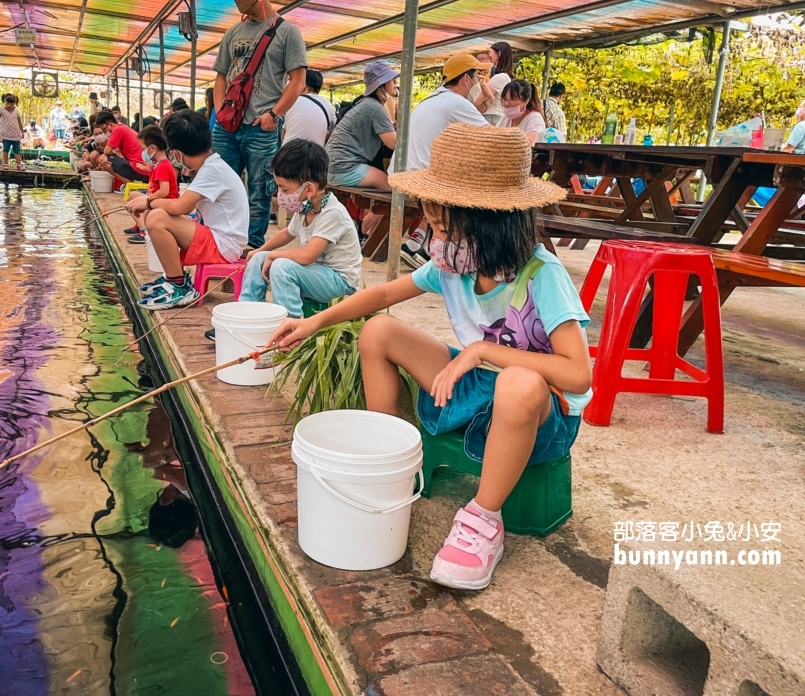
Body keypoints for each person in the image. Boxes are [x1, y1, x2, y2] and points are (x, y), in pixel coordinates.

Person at [268, 124, 592, 591]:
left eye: (441, 226)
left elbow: (577, 375)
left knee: (518, 382)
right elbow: (381, 295)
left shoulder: (542, 274)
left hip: (543, 410)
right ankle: (391, 455)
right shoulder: (454, 264)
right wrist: (313, 323)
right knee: (379, 332)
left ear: (488, 221)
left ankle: (484, 519)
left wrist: (481, 349)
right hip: (483, 382)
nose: (432, 238)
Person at [212, 0, 308, 248]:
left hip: (261, 128)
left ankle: (252, 250)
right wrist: (219, 112)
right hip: (227, 126)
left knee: (258, 191)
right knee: (218, 185)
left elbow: (298, 81)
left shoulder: (287, 32)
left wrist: (273, 115)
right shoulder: (232, 33)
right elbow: (219, 77)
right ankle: (219, 242)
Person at [133, 110, 249, 308]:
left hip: (224, 245)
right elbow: (187, 207)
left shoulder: (211, 170)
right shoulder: (212, 165)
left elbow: (180, 207)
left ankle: (178, 285)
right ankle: (174, 279)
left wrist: (149, 202)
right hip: (222, 239)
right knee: (160, 214)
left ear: (176, 153)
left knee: (156, 218)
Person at [389, 50, 490, 268]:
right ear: (466, 79)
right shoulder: (456, 103)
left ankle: (417, 243)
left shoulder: (431, 99)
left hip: (401, 174)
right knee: (475, 190)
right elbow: (492, 138)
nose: (478, 83)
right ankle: (433, 251)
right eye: (477, 77)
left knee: (454, 178)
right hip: (420, 178)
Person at [240, 139, 361, 317]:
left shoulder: (333, 213)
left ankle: (290, 326)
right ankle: (247, 315)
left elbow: (307, 256)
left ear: (309, 189)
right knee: (259, 259)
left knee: (282, 267)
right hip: (316, 274)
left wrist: (274, 255)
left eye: (285, 190)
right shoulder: (305, 207)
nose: (281, 195)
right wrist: (261, 250)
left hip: (340, 282)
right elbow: (287, 233)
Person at [325, 60, 398, 190]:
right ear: (381, 84)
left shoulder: (364, 103)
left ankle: (372, 211)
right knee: (393, 187)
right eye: (392, 80)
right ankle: (374, 211)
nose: (395, 83)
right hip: (344, 167)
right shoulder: (375, 108)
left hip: (332, 165)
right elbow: (394, 143)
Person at [124, 124, 179, 245]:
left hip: (165, 202)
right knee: (133, 196)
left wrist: (147, 199)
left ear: (152, 149)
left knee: (139, 205)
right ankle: (141, 226)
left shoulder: (163, 166)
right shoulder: (157, 164)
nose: (141, 152)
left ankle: (145, 231)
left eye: (142, 148)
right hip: (157, 199)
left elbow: (164, 191)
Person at [93, 110, 150, 184]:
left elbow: (106, 151)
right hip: (145, 170)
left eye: (104, 130)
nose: (105, 133)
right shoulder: (123, 127)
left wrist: (114, 155)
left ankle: (125, 181)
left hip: (139, 169)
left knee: (103, 159)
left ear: (110, 124)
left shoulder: (117, 129)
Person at [283, 69, 335, 147]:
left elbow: (282, 132)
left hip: (289, 152)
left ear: (303, 86)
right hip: (315, 154)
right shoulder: (328, 105)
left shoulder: (291, 101)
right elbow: (333, 132)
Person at [473, 41, 514, 124]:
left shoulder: (500, 77)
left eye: (490, 52)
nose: (489, 56)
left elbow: (479, 100)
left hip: (491, 117)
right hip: (492, 116)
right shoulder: (501, 76)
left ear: (498, 54)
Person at [498, 79, 546, 147]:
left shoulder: (535, 118)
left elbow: (529, 144)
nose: (506, 103)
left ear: (526, 101)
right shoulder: (505, 118)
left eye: (512, 99)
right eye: (505, 99)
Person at [0, 94, 26, 170]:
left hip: (16, 134)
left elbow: (19, 122)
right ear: (4, 102)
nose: (9, 105)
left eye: (11, 104)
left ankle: (19, 165)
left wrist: (22, 132)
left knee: (17, 151)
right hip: (6, 134)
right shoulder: (2, 110)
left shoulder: (16, 110)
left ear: (14, 103)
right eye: (7, 103)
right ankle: (5, 164)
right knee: (6, 149)